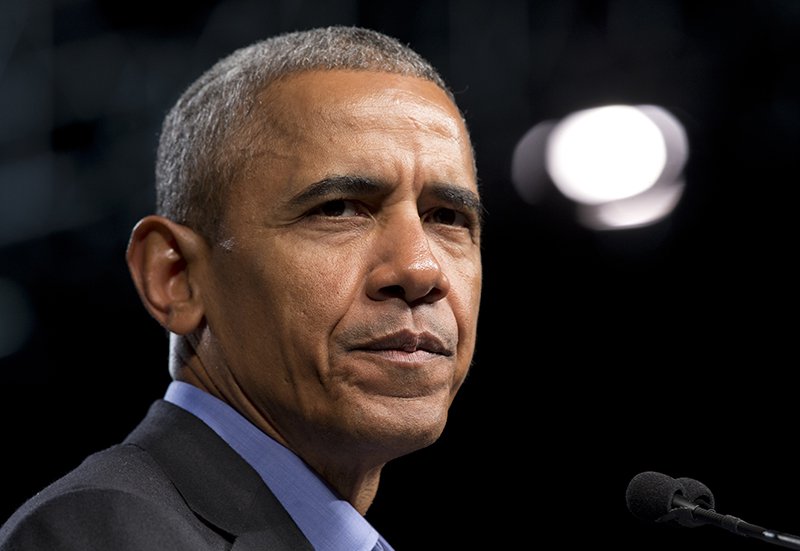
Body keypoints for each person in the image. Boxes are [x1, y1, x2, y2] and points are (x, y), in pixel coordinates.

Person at [0, 25, 482, 550]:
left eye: (448, 217)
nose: (420, 270)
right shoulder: (105, 532)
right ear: (176, 277)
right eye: (338, 209)